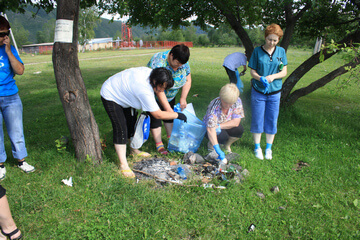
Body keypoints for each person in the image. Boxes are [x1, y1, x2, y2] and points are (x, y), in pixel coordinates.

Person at [100, 67, 187, 178]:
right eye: (162, 87)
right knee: (121, 127)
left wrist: (170, 111)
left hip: (125, 92)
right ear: (155, 82)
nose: (163, 91)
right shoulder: (144, 89)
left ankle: (133, 149)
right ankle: (123, 164)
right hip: (111, 94)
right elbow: (157, 114)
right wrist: (177, 115)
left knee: (131, 121)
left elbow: (160, 92)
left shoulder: (153, 75)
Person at [0, 16, 35, 180]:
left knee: (16, 131)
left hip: (10, 96)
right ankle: (0, 164)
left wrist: (8, 51)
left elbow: (20, 70)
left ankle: (21, 161)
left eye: (5, 34)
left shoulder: (10, 49)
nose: (3, 37)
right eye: (0, 34)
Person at [248, 23, 288, 160]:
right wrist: (260, 78)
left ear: (279, 40)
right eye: (269, 39)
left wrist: (272, 77)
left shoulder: (281, 52)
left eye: (275, 40)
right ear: (265, 37)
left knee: (272, 119)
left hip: (275, 92)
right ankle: (257, 147)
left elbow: (284, 71)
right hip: (258, 91)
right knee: (258, 119)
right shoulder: (257, 52)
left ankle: (268, 148)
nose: (272, 42)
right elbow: (252, 71)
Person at [147, 44, 192, 155]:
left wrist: (183, 98)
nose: (179, 66)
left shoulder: (183, 62)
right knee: (156, 118)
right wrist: (170, 112)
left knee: (169, 118)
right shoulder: (159, 62)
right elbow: (159, 90)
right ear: (171, 55)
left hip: (170, 95)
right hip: (155, 94)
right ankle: (159, 144)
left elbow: (188, 79)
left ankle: (171, 139)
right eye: (177, 63)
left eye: (181, 64)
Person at [203, 83, 245, 163]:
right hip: (211, 128)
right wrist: (217, 148)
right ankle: (211, 146)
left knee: (239, 129)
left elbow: (236, 122)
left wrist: (219, 126)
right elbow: (210, 129)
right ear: (221, 98)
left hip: (222, 124)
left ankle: (227, 145)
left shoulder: (237, 101)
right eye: (226, 102)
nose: (228, 105)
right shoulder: (214, 106)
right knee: (222, 136)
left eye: (231, 103)